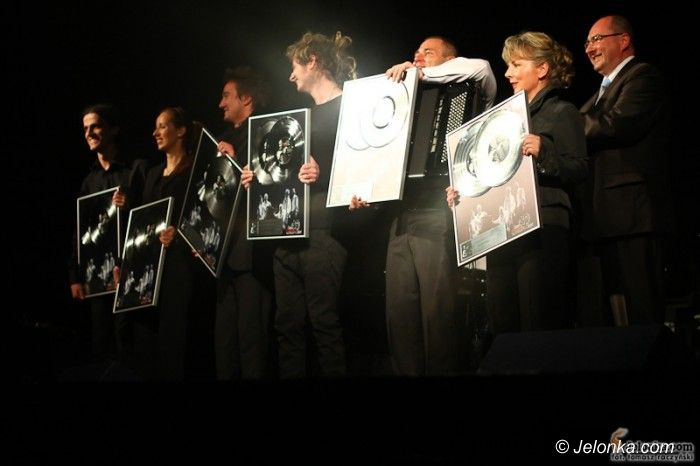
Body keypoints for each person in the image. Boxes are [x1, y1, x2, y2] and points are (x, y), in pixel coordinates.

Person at [355, 36, 496, 376]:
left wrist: (422, 74)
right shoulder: (403, 100)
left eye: (427, 52)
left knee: (438, 314)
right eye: (415, 53)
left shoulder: (469, 85)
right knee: (400, 316)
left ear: (449, 59)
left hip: (438, 214)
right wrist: (365, 192)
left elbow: (483, 69)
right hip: (400, 217)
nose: (417, 57)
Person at [447, 31, 588, 335]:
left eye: (517, 64)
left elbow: (579, 169)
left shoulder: (562, 112)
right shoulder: (500, 120)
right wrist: (465, 191)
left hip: (544, 227)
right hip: (503, 231)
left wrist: (545, 151)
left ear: (542, 69)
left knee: (540, 321)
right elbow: (493, 175)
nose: (508, 73)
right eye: (508, 66)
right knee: (503, 323)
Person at [242, 31, 356, 378]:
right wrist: (257, 176)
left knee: (324, 324)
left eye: (295, 67)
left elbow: (363, 166)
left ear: (313, 62)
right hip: (287, 232)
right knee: (287, 326)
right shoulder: (299, 117)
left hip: (324, 231)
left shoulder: (351, 106)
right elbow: (282, 171)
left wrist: (324, 174)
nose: (291, 76)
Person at [578, 15, 669, 325]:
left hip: (632, 216)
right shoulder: (596, 96)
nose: (589, 48)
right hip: (600, 218)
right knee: (608, 321)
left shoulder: (643, 76)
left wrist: (564, 122)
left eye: (596, 39)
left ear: (624, 40)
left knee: (642, 314)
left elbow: (618, 125)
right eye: (587, 43)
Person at [127, 106, 206, 380]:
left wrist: (180, 233)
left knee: (174, 341)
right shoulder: (153, 174)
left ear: (180, 131)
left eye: (162, 126)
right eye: (156, 127)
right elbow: (143, 221)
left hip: (178, 266)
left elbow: (202, 214)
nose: (155, 133)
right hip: (149, 269)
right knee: (146, 342)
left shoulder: (194, 170)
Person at [68, 103, 145, 364]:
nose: (89, 133)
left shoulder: (135, 169)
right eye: (85, 129)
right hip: (98, 277)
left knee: (128, 345)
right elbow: (81, 230)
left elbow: (152, 215)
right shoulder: (89, 181)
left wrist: (131, 204)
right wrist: (75, 276)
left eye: (95, 126)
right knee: (100, 345)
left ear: (113, 130)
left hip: (131, 271)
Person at [214, 66, 274, 380]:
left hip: (252, 258)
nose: (221, 103)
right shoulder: (223, 140)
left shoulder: (266, 132)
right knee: (224, 346)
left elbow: (273, 188)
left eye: (227, 96)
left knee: (252, 343)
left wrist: (235, 161)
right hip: (223, 258)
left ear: (246, 98)